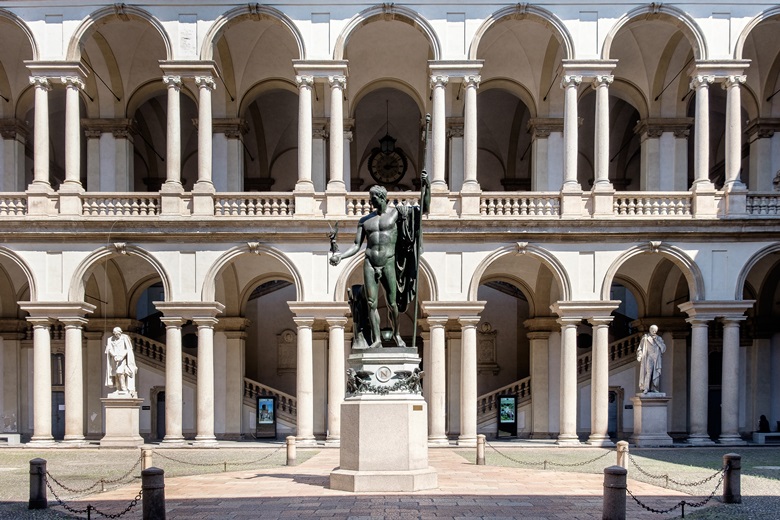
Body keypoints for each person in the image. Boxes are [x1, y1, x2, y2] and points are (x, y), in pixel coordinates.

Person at [330, 172, 430, 348]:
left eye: (373, 198)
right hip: (369, 262)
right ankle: (376, 339)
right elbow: (356, 246)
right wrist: (340, 256)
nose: (371, 201)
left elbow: (423, 210)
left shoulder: (396, 214)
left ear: (382, 197)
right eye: (370, 198)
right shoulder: (364, 221)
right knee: (371, 303)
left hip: (388, 262)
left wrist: (426, 186)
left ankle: (397, 335)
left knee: (392, 303)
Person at [105, 327, 138, 397]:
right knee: (115, 374)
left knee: (120, 372)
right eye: (115, 334)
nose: (117, 335)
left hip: (122, 359)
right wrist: (114, 355)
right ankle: (118, 389)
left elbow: (128, 349)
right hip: (114, 359)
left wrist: (121, 356)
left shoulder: (124, 338)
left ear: (120, 332)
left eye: (118, 334)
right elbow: (109, 349)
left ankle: (124, 388)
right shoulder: (110, 339)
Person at [637, 324, 666, 394]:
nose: (654, 332)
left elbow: (663, 349)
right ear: (650, 330)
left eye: (655, 331)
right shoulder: (645, 338)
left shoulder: (659, 338)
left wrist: (657, 341)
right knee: (648, 372)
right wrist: (639, 356)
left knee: (656, 374)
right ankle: (646, 388)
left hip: (656, 358)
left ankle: (654, 388)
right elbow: (640, 348)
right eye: (653, 330)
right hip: (649, 357)